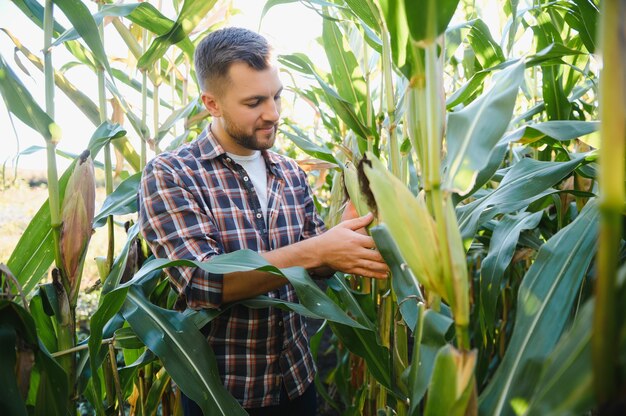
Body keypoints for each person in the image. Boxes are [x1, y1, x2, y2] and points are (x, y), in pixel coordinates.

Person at [138, 27, 388, 416]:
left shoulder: (290, 172)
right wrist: (318, 248)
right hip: (222, 394)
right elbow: (203, 281)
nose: (272, 113)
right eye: (255, 101)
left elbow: (316, 266)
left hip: (297, 381)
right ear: (212, 103)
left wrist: (343, 233)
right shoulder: (172, 174)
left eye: (276, 96)